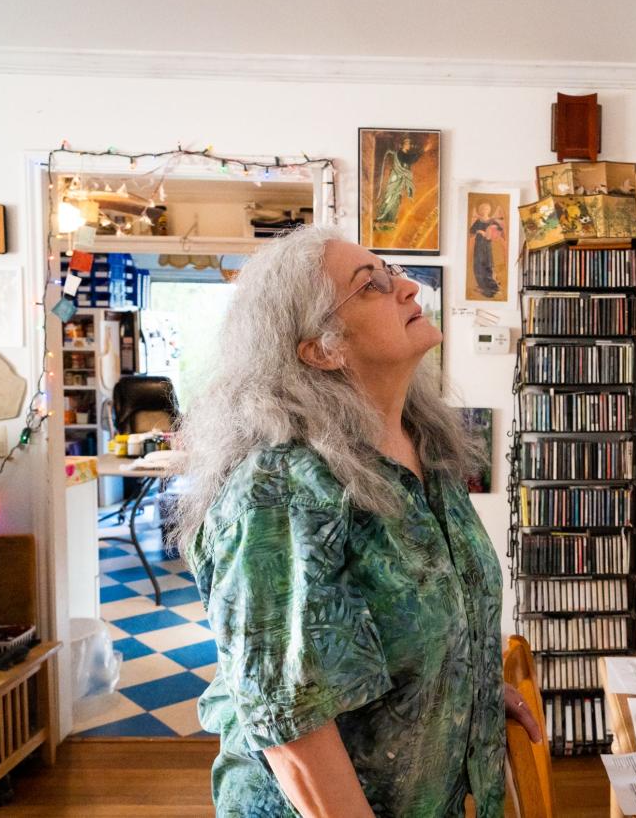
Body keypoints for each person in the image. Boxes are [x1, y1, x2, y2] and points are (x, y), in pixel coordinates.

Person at [174, 226, 539, 817]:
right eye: (373, 285)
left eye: (391, 273)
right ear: (322, 347)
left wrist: (466, 689)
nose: (410, 289)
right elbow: (292, 723)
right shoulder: (282, 489)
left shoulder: (427, 450)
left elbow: (418, 626)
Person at [374, 135, 422, 229]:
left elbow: (410, 159)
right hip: (395, 180)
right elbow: (408, 159)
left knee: (397, 200)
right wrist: (419, 153)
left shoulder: (405, 155)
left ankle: (390, 220)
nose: (409, 145)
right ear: (402, 145)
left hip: (400, 181)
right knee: (390, 197)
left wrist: (418, 153)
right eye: (407, 143)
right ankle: (381, 218)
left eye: (410, 143)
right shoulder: (399, 154)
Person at [468, 202, 503, 299]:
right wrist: (478, 231)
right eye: (482, 209)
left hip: (486, 246)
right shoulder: (478, 221)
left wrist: (489, 232)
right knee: (478, 265)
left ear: (489, 210)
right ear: (480, 210)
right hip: (478, 245)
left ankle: (493, 287)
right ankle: (482, 286)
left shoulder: (492, 221)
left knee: (488, 264)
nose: (484, 211)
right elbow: (471, 231)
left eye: (486, 209)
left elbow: (498, 231)